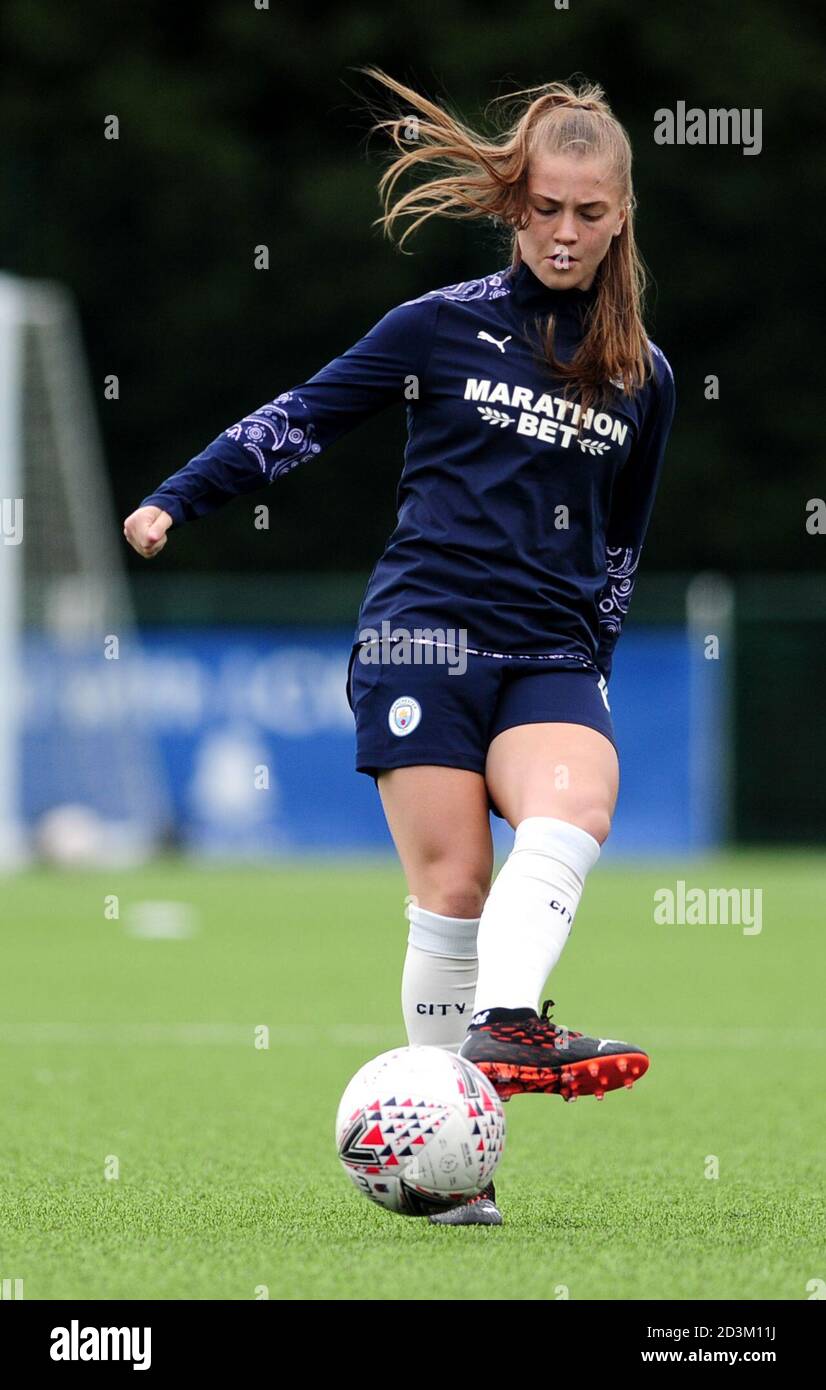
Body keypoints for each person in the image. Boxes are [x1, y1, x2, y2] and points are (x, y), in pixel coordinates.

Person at [123, 70, 676, 1226]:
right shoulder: (437, 324)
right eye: (543, 208)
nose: (563, 231)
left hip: (550, 649)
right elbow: (304, 415)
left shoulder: (642, 373)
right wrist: (183, 495)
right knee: (453, 891)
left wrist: (597, 666)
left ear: (621, 214)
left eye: (587, 211)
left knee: (576, 805)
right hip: (422, 633)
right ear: (511, 206)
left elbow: (623, 542)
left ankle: (508, 1023)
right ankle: (452, 1173)